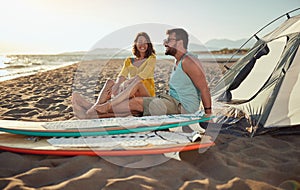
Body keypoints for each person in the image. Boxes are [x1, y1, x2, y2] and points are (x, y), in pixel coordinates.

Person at [92, 28, 212, 118]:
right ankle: (96, 114)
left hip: (182, 107)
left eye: (168, 40)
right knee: (134, 107)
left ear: (179, 43)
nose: (165, 43)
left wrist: (208, 115)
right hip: (172, 101)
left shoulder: (189, 62)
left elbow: (204, 88)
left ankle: (99, 110)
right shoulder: (179, 60)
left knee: (134, 103)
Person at [72, 32, 156, 119]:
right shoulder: (129, 60)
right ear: (135, 44)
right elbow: (122, 76)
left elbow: (142, 76)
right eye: (140, 41)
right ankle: (95, 106)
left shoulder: (152, 58)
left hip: (144, 93)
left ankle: (91, 110)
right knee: (110, 82)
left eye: (145, 42)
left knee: (136, 82)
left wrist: (125, 84)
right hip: (131, 92)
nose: (143, 44)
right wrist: (116, 86)